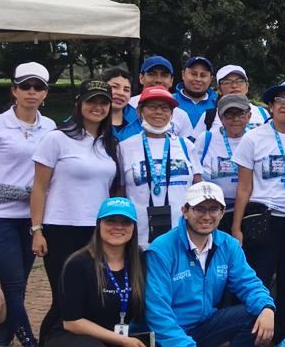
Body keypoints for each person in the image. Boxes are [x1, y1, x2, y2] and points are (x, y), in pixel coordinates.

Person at [145, 182, 276, 347]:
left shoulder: (228, 245)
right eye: (199, 209)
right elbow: (157, 313)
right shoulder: (161, 249)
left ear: (222, 212)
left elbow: (249, 283)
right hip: (163, 336)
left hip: (203, 325)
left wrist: (266, 307)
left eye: (213, 209)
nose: (207, 216)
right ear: (185, 211)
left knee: (257, 316)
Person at [29, 80, 121, 347]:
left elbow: (112, 190)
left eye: (104, 103)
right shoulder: (57, 139)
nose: (98, 107)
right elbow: (39, 187)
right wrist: (36, 229)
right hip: (60, 227)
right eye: (92, 101)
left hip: (96, 232)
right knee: (63, 299)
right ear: (79, 104)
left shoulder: (111, 143)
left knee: (92, 299)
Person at [0, 62, 57, 347]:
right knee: (13, 282)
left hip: (32, 216)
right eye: (25, 86)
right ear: (14, 90)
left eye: (38, 87)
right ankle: (32, 345)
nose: (31, 93)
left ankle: (1, 346)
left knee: (17, 286)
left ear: (46, 93)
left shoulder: (50, 128)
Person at [43, 197, 153, 347]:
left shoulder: (140, 261)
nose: (118, 227)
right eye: (110, 221)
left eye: (125, 222)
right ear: (98, 225)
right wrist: (123, 341)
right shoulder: (78, 263)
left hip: (112, 343)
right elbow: (72, 321)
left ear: (134, 227)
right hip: (70, 337)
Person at [233, 83, 285, 342]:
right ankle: (250, 337)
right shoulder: (253, 138)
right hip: (263, 219)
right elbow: (244, 187)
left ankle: (282, 338)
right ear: (270, 105)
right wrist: (236, 227)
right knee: (259, 281)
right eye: (280, 100)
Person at [116, 86, 197, 251]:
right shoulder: (124, 148)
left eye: (165, 108)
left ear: (171, 114)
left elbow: (197, 187)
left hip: (182, 237)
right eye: (152, 107)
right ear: (140, 112)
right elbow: (120, 192)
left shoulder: (186, 146)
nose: (159, 112)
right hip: (139, 239)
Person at [196, 94, 251, 231]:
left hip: (246, 211)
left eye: (240, 114)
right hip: (212, 212)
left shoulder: (255, 139)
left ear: (249, 116)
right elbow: (195, 172)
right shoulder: (206, 139)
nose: (236, 119)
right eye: (229, 115)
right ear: (220, 118)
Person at [212, 65, 269, 131]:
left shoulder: (262, 113)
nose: (234, 86)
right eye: (227, 82)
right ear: (219, 89)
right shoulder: (210, 116)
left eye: (240, 81)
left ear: (247, 86)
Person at [173, 56, 217, 140]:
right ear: (183, 75)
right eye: (193, 74)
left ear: (210, 79)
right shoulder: (169, 102)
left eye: (203, 75)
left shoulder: (218, 104)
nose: (198, 79)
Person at [102, 67, 138, 140]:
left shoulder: (140, 122)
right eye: (115, 87)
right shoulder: (87, 120)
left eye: (126, 90)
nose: (121, 93)